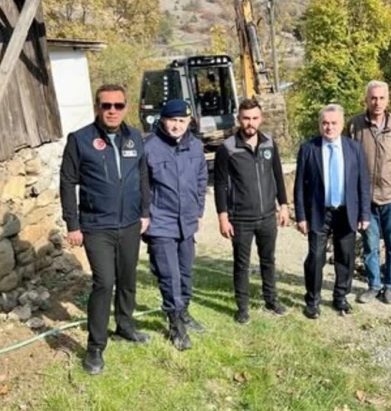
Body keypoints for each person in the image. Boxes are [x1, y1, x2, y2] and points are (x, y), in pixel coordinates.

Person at [60, 84, 150, 376]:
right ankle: (95, 347)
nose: (112, 111)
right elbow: (67, 183)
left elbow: (143, 175)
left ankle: (125, 325)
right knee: (104, 282)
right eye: (106, 105)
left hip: (130, 223)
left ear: (126, 107)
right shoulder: (80, 140)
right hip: (97, 226)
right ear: (97, 107)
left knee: (127, 279)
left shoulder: (135, 137)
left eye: (118, 105)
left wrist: (145, 212)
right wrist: (73, 224)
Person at [214, 98, 290, 324]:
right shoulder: (227, 148)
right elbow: (220, 184)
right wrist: (223, 217)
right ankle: (243, 308)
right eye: (246, 118)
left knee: (268, 260)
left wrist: (283, 206)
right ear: (239, 119)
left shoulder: (269, 144)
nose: (250, 123)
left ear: (261, 118)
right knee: (242, 264)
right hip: (240, 218)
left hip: (267, 216)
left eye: (255, 118)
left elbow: (278, 176)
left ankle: (271, 300)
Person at [294, 104, 371, 319]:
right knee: (315, 257)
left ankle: (340, 297)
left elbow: (363, 183)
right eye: (325, 123)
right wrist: (301, 216)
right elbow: (299, 186)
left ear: (342, 124)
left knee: (345, 257)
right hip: (319, 213)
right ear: (320, 125)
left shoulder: (354, 148)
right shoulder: (309, 148)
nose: (329, 127)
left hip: (346, 213)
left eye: (334, 123)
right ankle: (312, 301)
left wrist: (364, 213)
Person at [143, 99, 208, 351]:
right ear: (163, 120)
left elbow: (201, 180)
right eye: (172, 120)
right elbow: (141, 187)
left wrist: (198, 210)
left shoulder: (196, 146)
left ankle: (184, 312)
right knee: (169, 275)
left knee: (185, 272)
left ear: (189, 122)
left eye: (182, 121)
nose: (177, 125)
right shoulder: (149, 147)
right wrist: (145, 217)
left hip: (187, 221)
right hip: (161, 221)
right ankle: (175, 324)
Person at [348, 81, 391, 305]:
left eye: (381, 98)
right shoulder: (355, 125)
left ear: (387, 100)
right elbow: (348, 162)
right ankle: (373, 285)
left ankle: (390, 287)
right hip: (366, 200)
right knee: (370, 246)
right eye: (373, 98)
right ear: (366, 100)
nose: (377, 102)